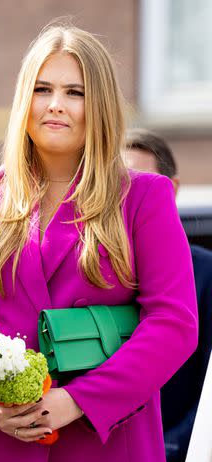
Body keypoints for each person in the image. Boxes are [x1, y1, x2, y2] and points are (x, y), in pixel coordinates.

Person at [0, 23, 198, 462]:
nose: (55, 106)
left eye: (75, 93)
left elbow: (174, 323)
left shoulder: (145, 197)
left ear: (99, 105)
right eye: (43, 89)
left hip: (104, 440)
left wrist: (78, 400)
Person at [124, 128, 212, 462]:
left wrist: (172, 446)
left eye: (140, 183)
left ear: (170, 189)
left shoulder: (205, 272)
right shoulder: (90, 271)